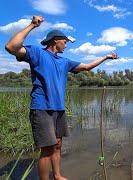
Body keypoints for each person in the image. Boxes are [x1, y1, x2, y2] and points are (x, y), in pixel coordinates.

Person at [5, 15, 118, 180]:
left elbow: (87, 67)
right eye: (65, 41)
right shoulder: (37, 53)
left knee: (57, 145)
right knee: (47, 149)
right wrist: (32, 25)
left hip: (59, 109)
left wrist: (106, 57)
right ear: (55, 41)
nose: (66, 44)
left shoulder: (65, 62)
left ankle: (57, 176)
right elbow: (11, 46)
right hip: (42, 108)